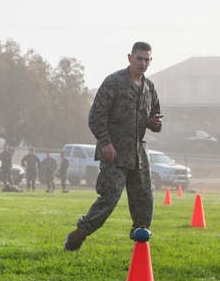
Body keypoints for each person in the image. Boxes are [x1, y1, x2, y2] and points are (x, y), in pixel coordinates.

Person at [65, 42, 162, 251]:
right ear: (130, 58)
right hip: (114, 152)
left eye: (146, 60)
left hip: (138, 153)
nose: (143, 63)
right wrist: (106, 143)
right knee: (109, 198)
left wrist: (155, 124)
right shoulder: (114, 82)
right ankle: (78, 235)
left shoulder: (149, 88)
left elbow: (156, 117)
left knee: (145, 198)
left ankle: (140, 241)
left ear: (150, 61)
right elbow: (96, 117)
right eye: (139, 58)